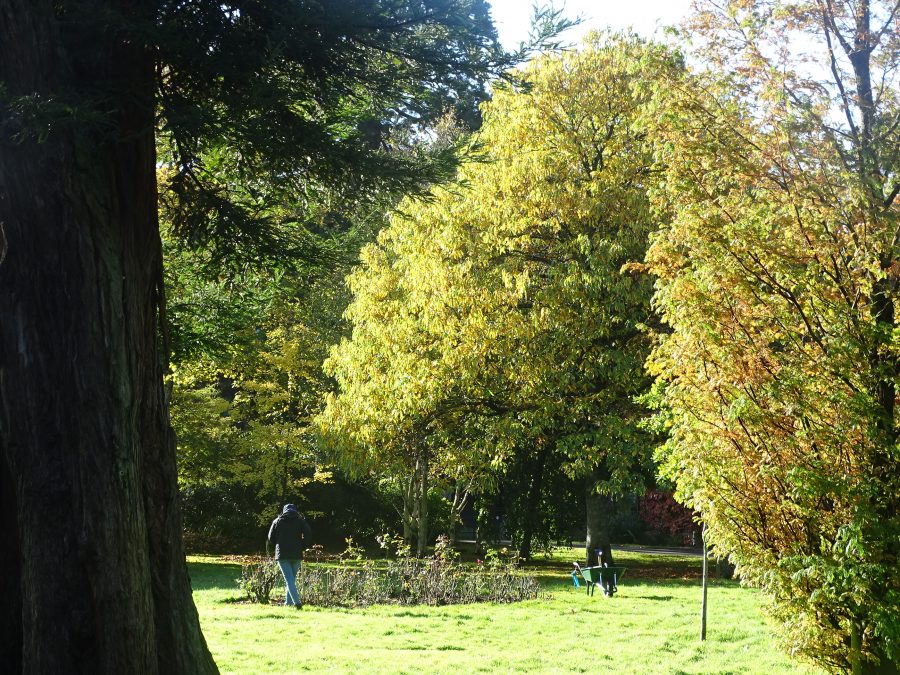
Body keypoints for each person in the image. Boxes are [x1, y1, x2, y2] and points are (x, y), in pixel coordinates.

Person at [268, 504, 312, 609]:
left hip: (282, 554)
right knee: (291, 579)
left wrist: (278, 544)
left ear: (284, 511)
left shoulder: (277, 521)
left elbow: (270, 537)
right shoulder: (300, 521)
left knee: (289, 580)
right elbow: (308, 533)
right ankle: (288, 604)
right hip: (296, 554)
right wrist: (303, 546)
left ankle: (297, 603)